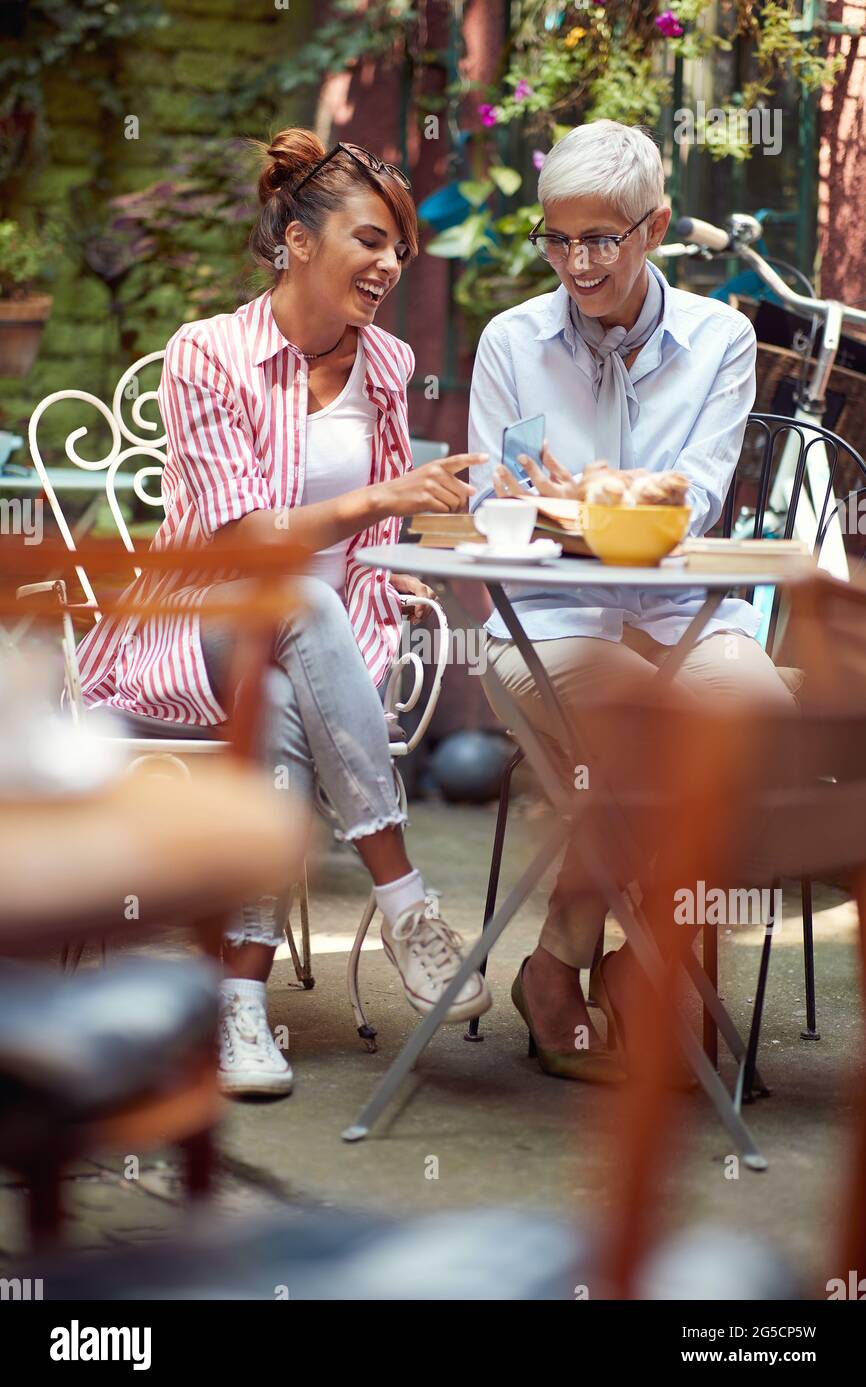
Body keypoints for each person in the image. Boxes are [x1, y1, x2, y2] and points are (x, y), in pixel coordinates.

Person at [76, 129, 492, 1097]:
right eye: (369, 240)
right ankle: (405, 898)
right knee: (289, 596)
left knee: (274, 685)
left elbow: (388, 514)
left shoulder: (384, 364)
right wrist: (375, 506)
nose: (389, 263)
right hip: (195, 620)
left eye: (398, 247)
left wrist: (429, 541)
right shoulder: (205, 354)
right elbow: (241, 544)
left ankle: (239, 1010)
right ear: (296, 242)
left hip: (317, 646)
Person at [467, 120, 796, 1084]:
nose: (575, 264)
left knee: (761, 732)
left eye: (600, 240)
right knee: (644, 733)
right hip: (545, 622)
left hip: (687, 619)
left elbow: (692, 500)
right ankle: (652, 970)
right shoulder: (510, 343)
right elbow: (496, 508)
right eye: (556, 239)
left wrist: (582, 495)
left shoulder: (721, 339)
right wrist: (589, 503)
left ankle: (584, 958)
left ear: (654, 227)